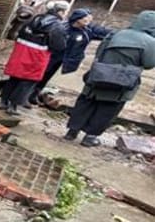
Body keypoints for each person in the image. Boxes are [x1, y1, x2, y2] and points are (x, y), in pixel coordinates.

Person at [66, 10, 155, 146]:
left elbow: (99, 52)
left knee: (86, 102)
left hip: (99, 74)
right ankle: (90, 137)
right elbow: (149, 64)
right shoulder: (151, 42)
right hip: (124, 81)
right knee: (108, 109)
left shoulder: (115, 33)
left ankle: (72, 132)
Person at [29, 8, 112, 105]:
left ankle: (34, 94)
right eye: (85, 18)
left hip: (66, 58)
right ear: (78, 19)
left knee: (47, 76)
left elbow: (105, 33)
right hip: (53, 55)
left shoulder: (88, 31)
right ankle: (28, 93)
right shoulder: (63, 27)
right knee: (40, 74)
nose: (88, 21)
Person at [0, 0, 69, 115]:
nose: (65, 15)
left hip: (21, 51)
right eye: (65, 12)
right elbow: (59, 45)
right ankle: (13, 106)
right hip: (38, 56)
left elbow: (20, 32)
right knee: (28, 81)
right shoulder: (57, 26)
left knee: (15, 77)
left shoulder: (34, 18)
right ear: (61, 12)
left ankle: (3, 101)